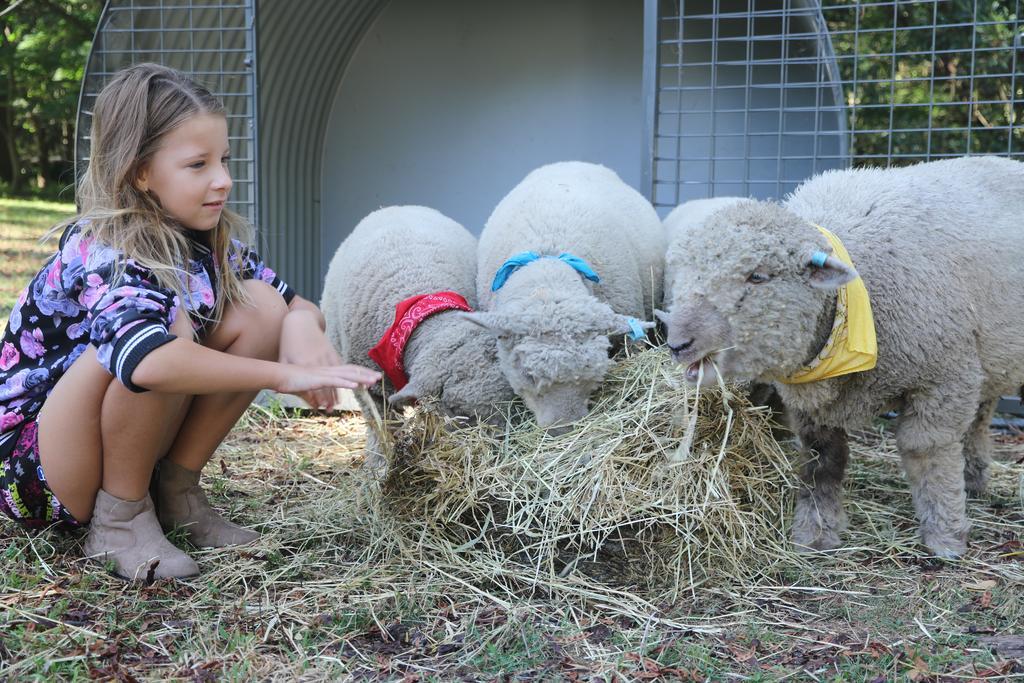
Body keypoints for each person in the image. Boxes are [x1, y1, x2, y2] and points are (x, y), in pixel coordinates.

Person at [0, 63, 380, 581]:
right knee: (161, 339)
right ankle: (121, 519)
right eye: (198, 164)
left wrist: (301, 328)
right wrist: (281, 376)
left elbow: (293, 303)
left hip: (100, 435)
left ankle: (176, 491)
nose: (222, 180)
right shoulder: (106, 247)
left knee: (262, 304)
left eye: (223, 160)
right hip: (36, 460)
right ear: (140, 172)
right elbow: (148, 363)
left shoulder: (204, 239)